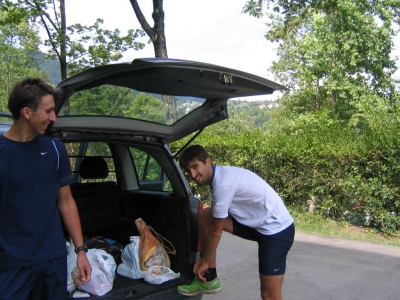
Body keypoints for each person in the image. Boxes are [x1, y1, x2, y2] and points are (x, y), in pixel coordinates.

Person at [0, 78, 91, 299]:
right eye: (48, 111)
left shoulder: (54, 149)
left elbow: (66, 202)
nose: (53, 118)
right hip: (11, 262)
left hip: (52, 258)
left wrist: (81, 251)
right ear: (27, 112)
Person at [177, 145, 294, 300]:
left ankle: (207, 268)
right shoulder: (216, 178)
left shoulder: (223, 183)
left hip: (276, 231)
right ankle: (210, 279)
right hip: (256, 225)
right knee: (206, 216)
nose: (192, 174)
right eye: (188, 170)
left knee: (269, 295)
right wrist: (205, 261)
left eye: (195, 167)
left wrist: (203, 260)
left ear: (208, 162)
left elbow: (216, 231)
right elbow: (214, 220)